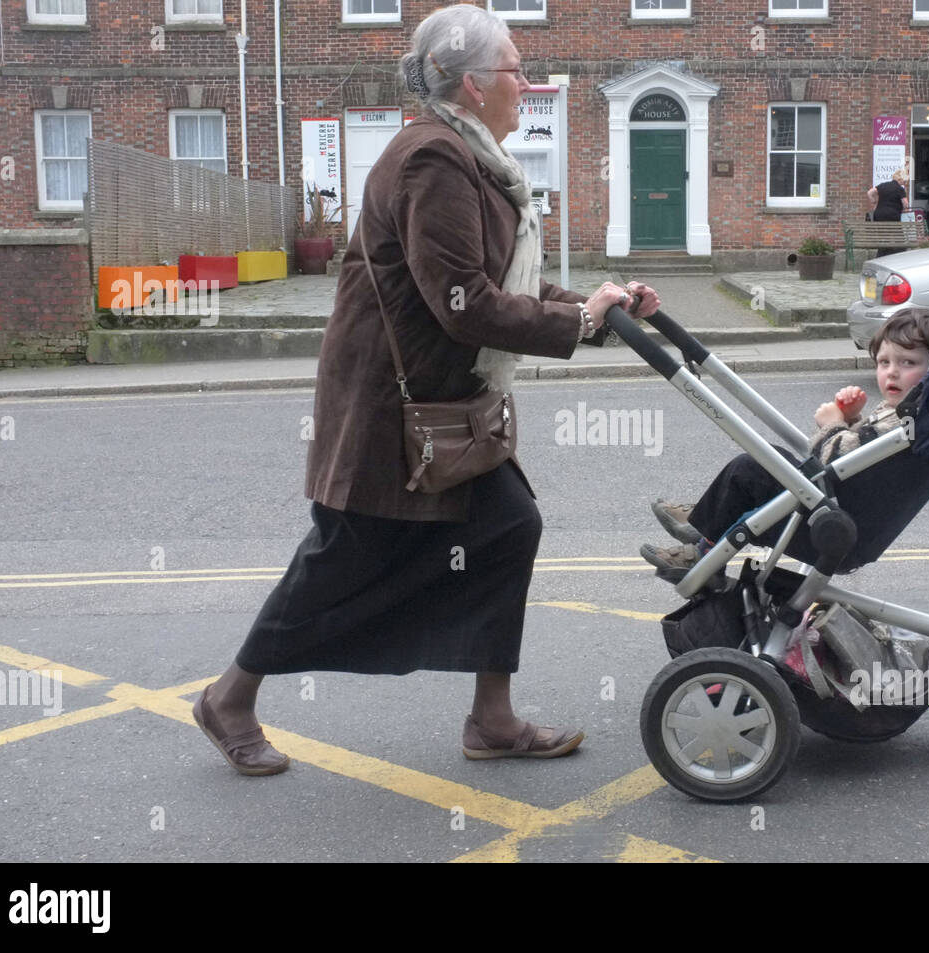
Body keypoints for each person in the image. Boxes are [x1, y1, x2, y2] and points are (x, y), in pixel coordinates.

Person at [192, 3, 661, 774]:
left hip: (445, 407)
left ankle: (492, 717)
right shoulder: (433, 162)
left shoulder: (471, 156)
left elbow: (497, 280)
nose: (527, 81)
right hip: (390, 411)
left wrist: (594, 305)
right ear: (474, 85)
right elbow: (465, 304)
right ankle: (230, 696)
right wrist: (578, 324)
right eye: (516, 68)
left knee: (510, 525)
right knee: (342, 558)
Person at [641, 307, 929, 577]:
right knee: (767, 462)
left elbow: (838, 458)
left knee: (753, 469)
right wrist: (852, 419)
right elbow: (867, 453)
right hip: (839, 514)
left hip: (834, 530)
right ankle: (707, 520)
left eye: (908, 362)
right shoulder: (906, 413)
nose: (892, 371)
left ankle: (701, 544)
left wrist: (833, 423)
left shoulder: (909, 420)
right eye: (884, 362)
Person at [867, 169, 910, 256]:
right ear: (900, 179)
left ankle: (881, 255)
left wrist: (874, 202)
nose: (904, 183)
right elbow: (905, 204)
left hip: (879, 215)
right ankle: (897, 257)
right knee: (899, 238)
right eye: (904, 181)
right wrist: (905, 209)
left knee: (884, 237)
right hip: (892, 216)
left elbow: (870, 192)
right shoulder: (900, 189)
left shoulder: (883, 185)